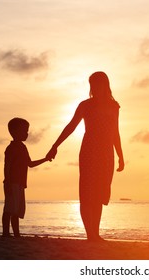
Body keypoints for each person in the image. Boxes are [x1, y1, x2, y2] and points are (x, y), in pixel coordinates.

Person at [46, 71, 124, 242]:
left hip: (106, 153)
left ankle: (95, 233)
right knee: (88, 193)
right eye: (92, 84)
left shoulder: (114, 106)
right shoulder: (85, 105)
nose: (95, 87)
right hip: (89, 151)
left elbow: (115, 132)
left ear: (106, 85)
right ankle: (91, 234)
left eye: (98, 84)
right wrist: (55, 146)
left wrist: (120, 155)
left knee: (101, 193)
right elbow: (71, 126)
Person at [2, 118, 51, 237]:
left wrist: (45, 159)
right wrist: (7, 182)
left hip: (20, 183)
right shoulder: (11, 148)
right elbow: (7, 166)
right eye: (24, 131)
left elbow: (30, 164)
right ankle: (6, 233)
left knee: (16, 210)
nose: (27, 134)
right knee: (9, 209)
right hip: (12, 182)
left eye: (27, 131)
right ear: (14, 131)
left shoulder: (23, 148)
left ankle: (16, 234)